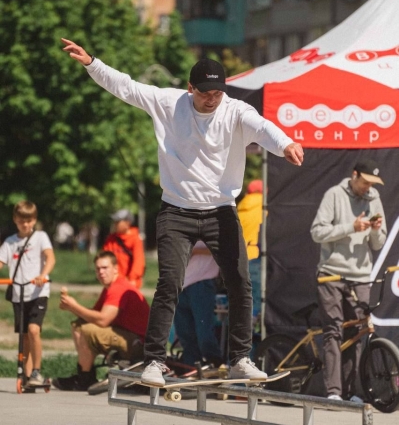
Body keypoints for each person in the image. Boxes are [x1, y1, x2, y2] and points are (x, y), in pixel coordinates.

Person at [61, 37, 304, 386]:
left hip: (221, 211)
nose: (211, 99)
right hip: (177, 212)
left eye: (217, 93)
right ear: (190, 88)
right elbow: (126, 88)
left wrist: (285, 144)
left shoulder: (235, 110)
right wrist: (92, 63)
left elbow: (263, 129)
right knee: (169, 284)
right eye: (204, 93)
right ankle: (155, 361)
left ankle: (239, 358)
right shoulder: (168, 102)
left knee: (239, 282)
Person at [310, 159, 387, 402]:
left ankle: (353, 391)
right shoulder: (334, 194)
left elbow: (378, 244)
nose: (368, 188)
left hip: (360, 277)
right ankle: (334, 392)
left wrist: (374, 230)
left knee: (357, 333)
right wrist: (351, 227)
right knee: (333, 331)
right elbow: (317, 232)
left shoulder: (373, 198)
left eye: (372, 184)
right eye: (365, 182)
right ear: (354, 175)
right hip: (332, 273)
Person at [52, 251, 150, 391]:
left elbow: (103, 320)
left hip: (138, 342)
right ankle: (85, 376)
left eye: (105, 268)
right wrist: (71, 308)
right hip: (128, 336)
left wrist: (74, 306)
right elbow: (93, 315)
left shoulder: (118, 287)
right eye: (97, 269)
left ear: (116, 268)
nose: (101, 272)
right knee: (79, 324)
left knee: (83, 329)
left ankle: (84, 378)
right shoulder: (110, 288)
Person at [0, 201, 55, 387]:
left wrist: (43, 275)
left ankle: (36, 372)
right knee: (24, 336)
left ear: (34, 220)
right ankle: (27, 374)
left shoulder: (40, 237)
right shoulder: (10, 242)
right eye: (22, 220)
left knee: (33, 330)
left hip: (38, 292)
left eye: (29, 220)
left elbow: (50, 258)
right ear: (15, 219)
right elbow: (1, 261)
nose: (26, 224)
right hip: (19, 293)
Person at [174, 241, 223, 368]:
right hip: (180, 282)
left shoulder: (212, 224)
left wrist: (194, 251)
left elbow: (222, 248)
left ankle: (216, 364)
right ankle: (191, 367)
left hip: (201, 282)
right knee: (185, 333)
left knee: (204, 333)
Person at [237, 179, 263, 317]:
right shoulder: (265, 208)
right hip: (257, 258)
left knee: (243, 300)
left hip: (239, 259)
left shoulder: (239, 209)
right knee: (259, 300)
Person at [103, 209, 145, 289]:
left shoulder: (135, 239)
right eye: (114, 222)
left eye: (117, 222)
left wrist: (132, 278)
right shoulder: (111, 239)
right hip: (113, 282)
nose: (114, 224)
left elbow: (139, 261)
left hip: (129, 282)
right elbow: (104, 258)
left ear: (127, 223)